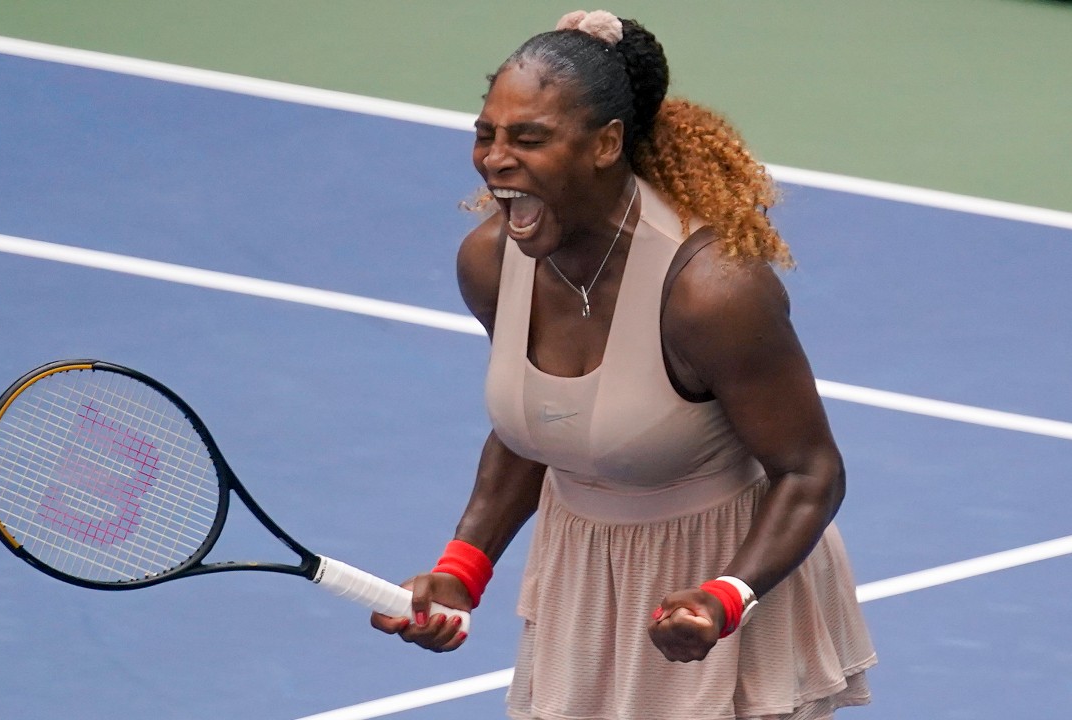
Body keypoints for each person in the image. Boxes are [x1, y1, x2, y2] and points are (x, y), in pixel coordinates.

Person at [371, 10, 876, 719]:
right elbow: (540, 427)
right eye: (486, 134)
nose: (495, 159)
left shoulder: (712, 293)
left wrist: (725, 595)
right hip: (582, 586)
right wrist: (462, 570)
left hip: (718, 586)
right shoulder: (488, 261)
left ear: (607, 143)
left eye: (529, 138)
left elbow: (810, 471)